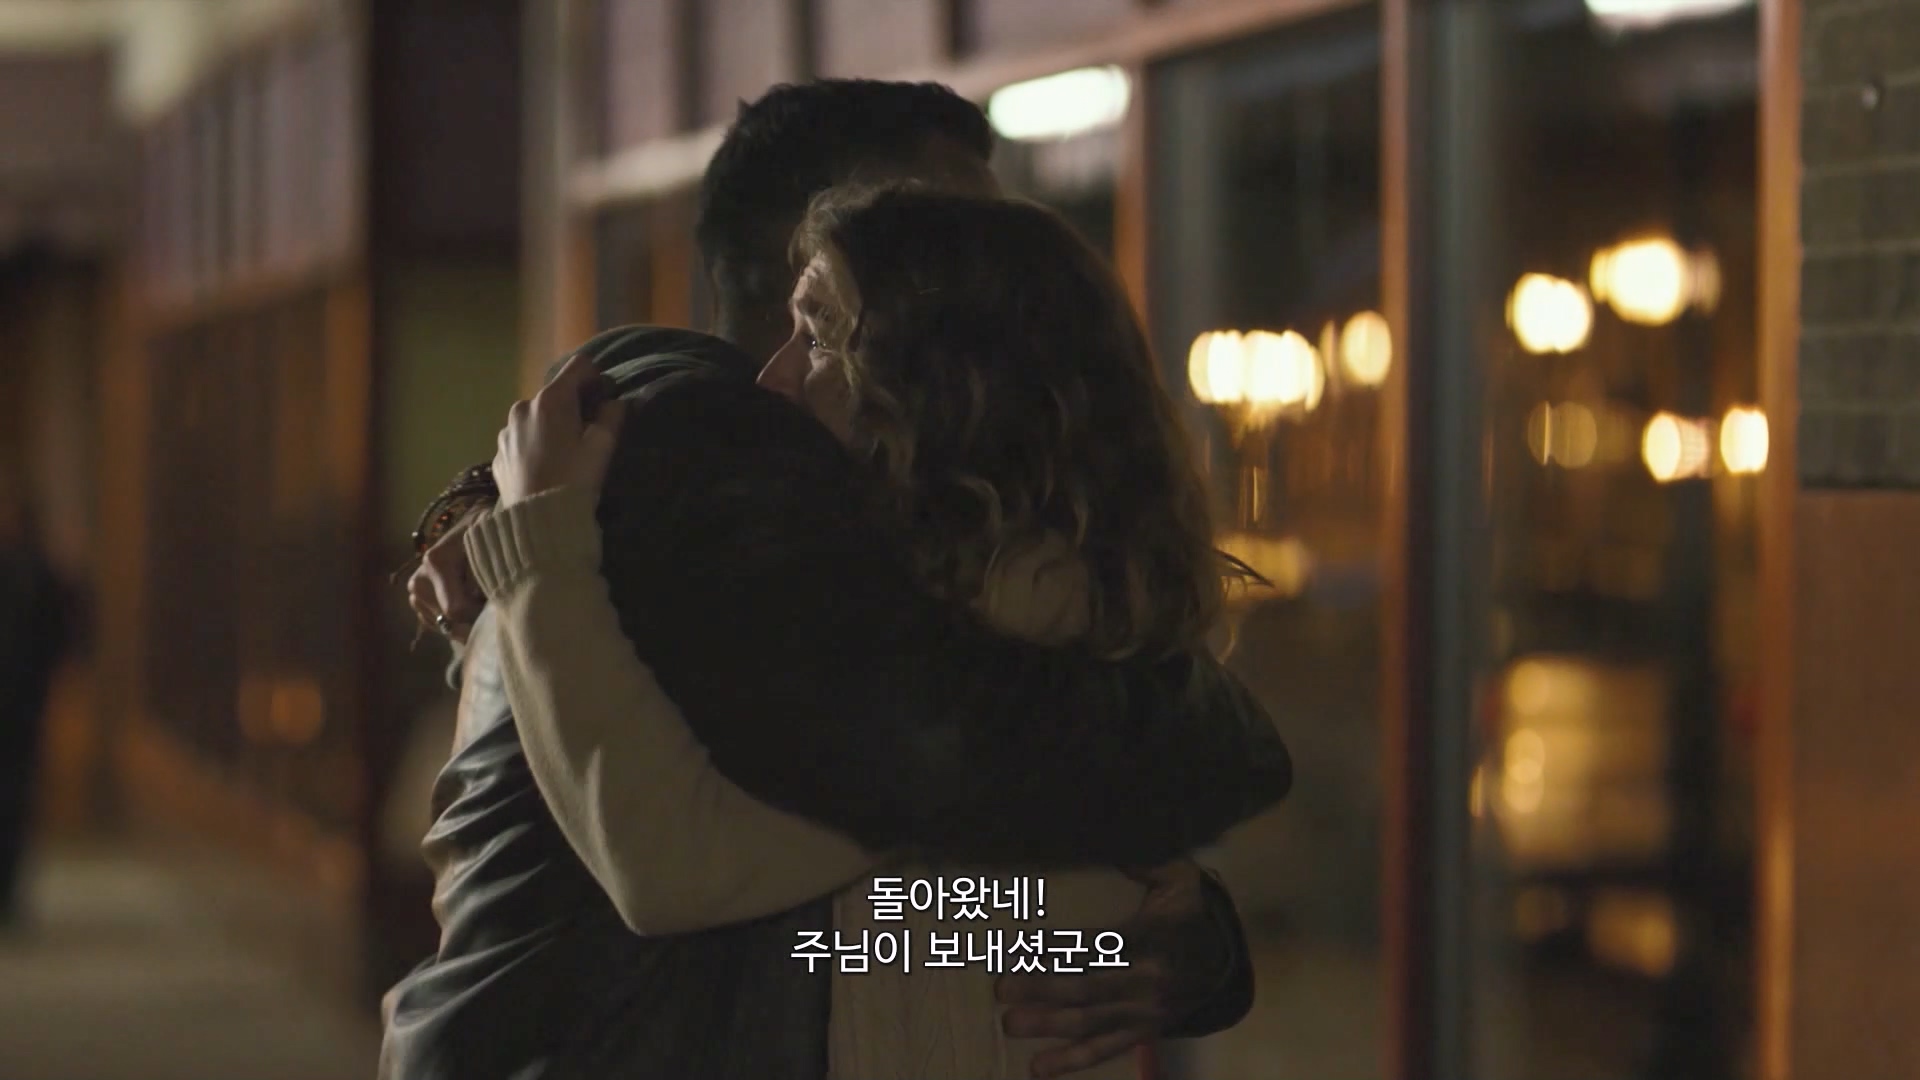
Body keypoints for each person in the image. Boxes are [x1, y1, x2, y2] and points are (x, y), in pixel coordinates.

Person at [386, 80, 1288, 1080]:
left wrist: (1141, 922)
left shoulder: (834, 532)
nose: (999, 262)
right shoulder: (729, 519)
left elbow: (933, 895)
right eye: (948, 230)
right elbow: (698, 863)